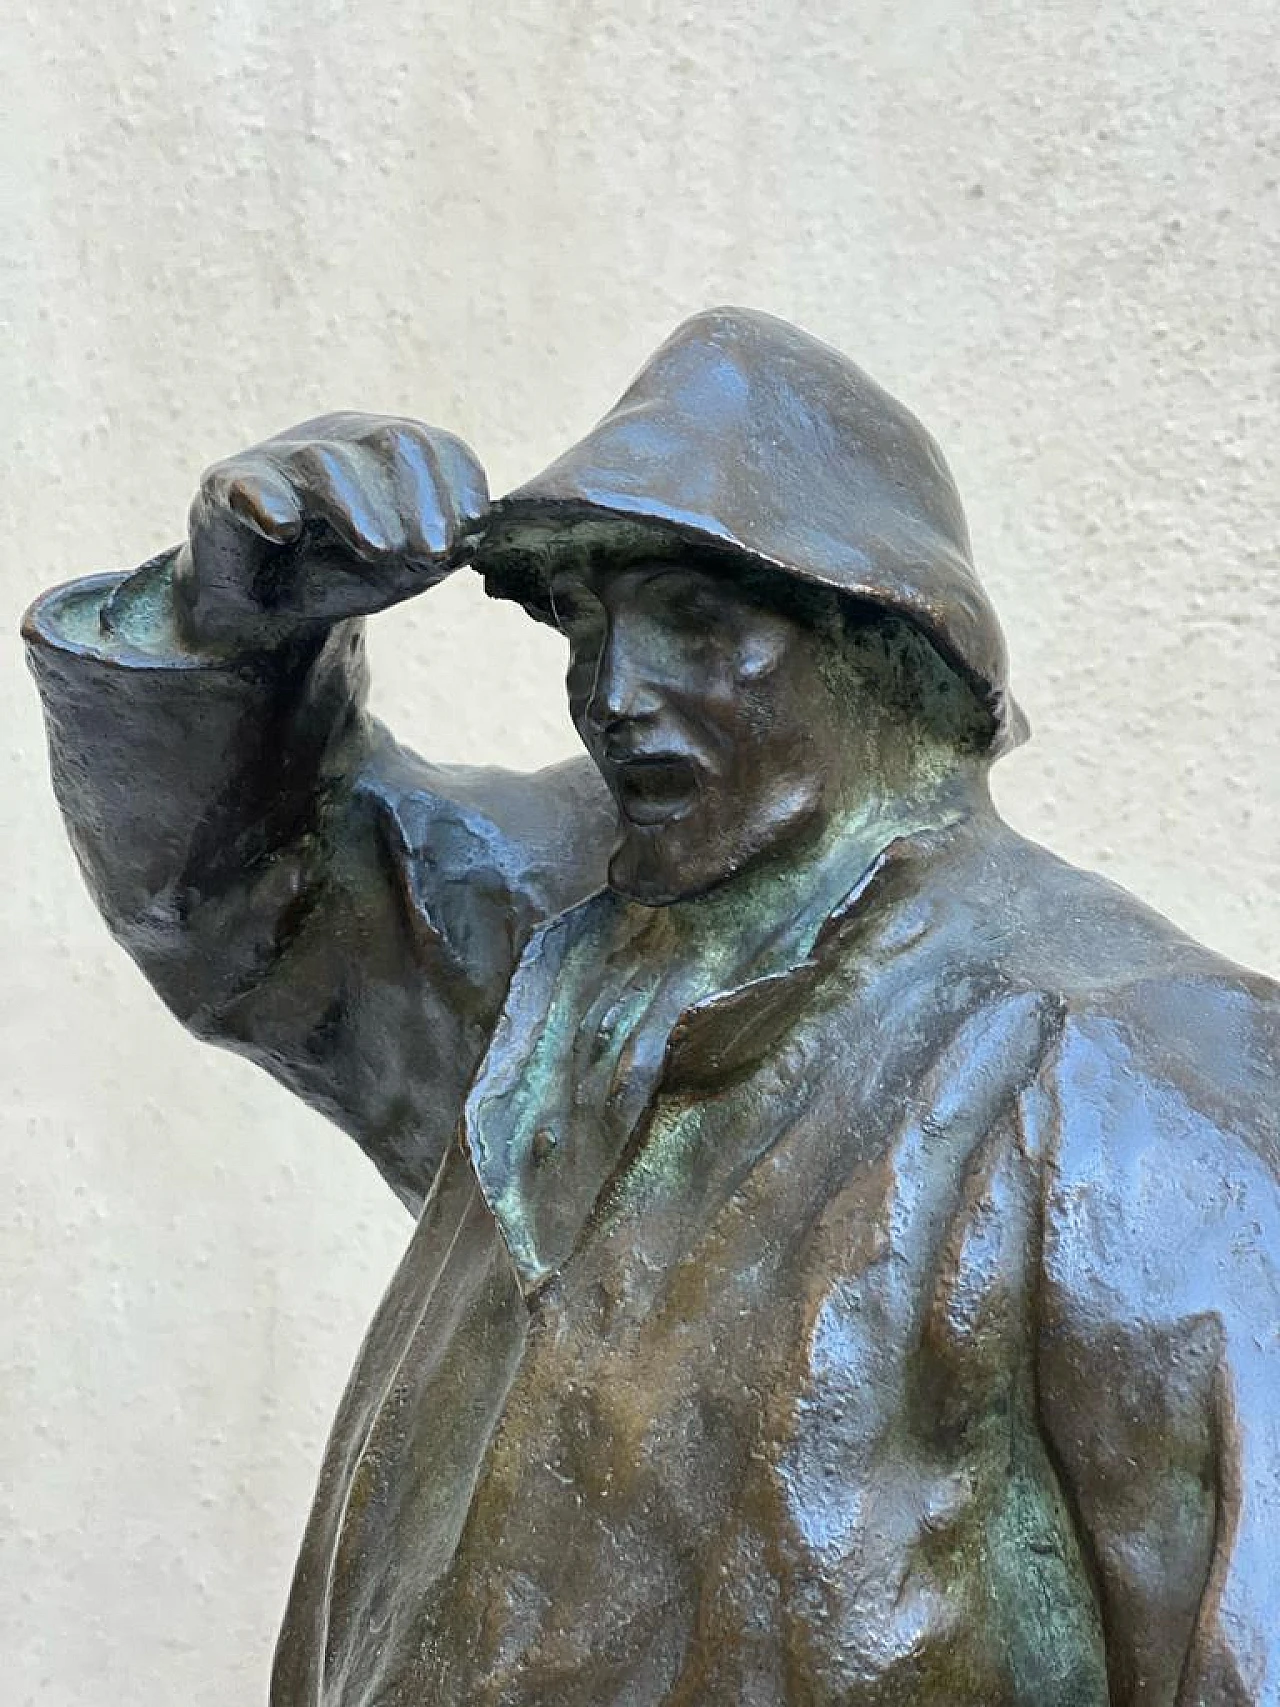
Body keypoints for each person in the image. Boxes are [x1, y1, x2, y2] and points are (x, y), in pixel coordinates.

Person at [23, 308, 1280, 1706]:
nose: (614, 692)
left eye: (695, 619)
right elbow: (242, 898)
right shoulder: (559, 948)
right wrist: (232, 625)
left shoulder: (1126, 1064)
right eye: (587, 623)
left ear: (898, 642)